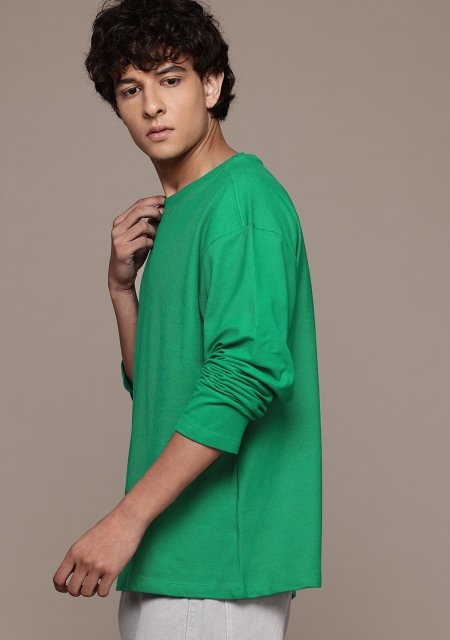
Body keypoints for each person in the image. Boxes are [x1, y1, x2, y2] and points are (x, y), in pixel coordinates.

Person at [52, 0, 322, 638]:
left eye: (169, 79)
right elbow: (164, 388)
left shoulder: (241, 201)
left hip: (216, 567)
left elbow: (243, 376)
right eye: (130, 89)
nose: (151, 105)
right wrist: (123, 291)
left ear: (211, 85)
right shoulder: (182, 210)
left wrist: (125, 519)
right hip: (173, 560)